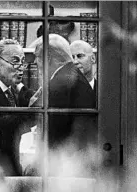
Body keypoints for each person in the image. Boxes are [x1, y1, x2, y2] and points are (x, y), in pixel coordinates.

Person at [27, 34, 96, 176]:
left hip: (66, 169)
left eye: (37, 56)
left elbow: (53, 134)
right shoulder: (70, 75)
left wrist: (37, 166)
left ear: (48, 58)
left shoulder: (60, 83)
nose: (35, 62)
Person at [0, 39, 36, 176]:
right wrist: (28, 113)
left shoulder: (11, 90)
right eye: (15, 61)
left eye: (22, 62)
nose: (21, 67)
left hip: (10, 167)